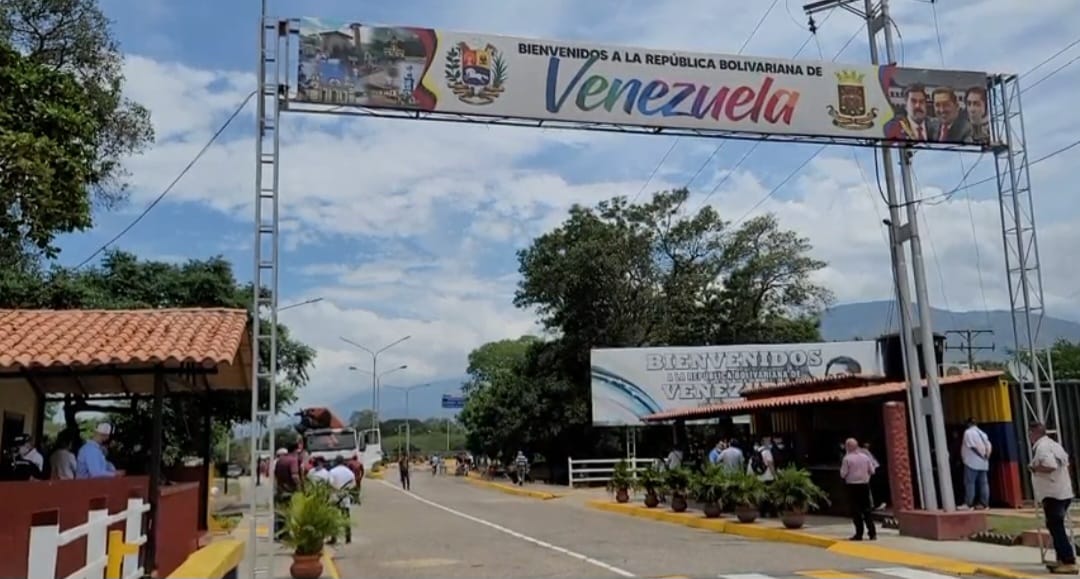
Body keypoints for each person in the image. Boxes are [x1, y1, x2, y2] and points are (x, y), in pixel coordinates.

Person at [1028, 422, 1076, 574]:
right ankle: (1062, 559)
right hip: (1063, 492)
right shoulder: (1055, 445)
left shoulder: (1042, 447)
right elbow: (1065, 463)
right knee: (1056, 526)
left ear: (1034, 433)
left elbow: (1051, 465)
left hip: (1053, 494)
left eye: (1030, 433)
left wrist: (1034, 468)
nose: (1029, 437)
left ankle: (1069, 561)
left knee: (1056, 528)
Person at [841, 437, 877, 541]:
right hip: (864, 485)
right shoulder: (865, 457)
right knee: (867, 510)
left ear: (848, 447)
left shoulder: (847, 459)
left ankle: (859, 534)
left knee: (856, 511)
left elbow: (843, 474)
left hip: (852, 486)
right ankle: (872, 533)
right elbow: (872, 471)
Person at [961, 417, 992, 510]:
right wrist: (986, 456)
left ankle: (968, 503)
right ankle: (984, 504)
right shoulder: (983, 434)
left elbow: (972, 446)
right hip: (983, 463)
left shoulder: (968, 432)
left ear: (969, 424)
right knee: (983, 484)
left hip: (972, 462)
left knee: (970, 483)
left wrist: (980, 455)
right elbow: (989, 446)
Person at [328, 456, 357, 545]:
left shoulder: (332, 472)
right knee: (346, 517)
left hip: (335, 496)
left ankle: (334, 538)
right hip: (345, 496)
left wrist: (336, 490)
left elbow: (330, 483)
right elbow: (353, 484)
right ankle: (348, 537)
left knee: (333, 517)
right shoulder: (349, 472)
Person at [748, 437, 776, 517]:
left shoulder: (756, 451)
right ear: (764, 442)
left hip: (759, 477)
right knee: (770, 495)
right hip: (768, 476)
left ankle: (762, 512)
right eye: (768, 441)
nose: (770, 442)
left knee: (762, 495)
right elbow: (770, 464)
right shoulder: (767, 452)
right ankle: (771, 512)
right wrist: (775, 475)